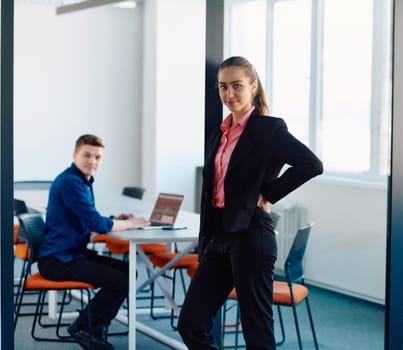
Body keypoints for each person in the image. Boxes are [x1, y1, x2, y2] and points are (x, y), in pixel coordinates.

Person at [177, 56, 323, 349]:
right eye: (223, 87)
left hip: (251, 236)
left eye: (237, 86)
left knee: (256, 332)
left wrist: (268, 193)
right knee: (191, 325)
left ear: (253, 86)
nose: (229, 94)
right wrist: (206, 242)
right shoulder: (219, 132)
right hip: (218, 238)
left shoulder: (268, 130)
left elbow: (311, 164)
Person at [37, 134, 150, 350]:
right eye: (87, 155)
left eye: (98, 157)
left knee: (129, 272)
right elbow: (96, 223)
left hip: (70, 253)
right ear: (74, 155)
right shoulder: (71, 182)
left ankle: (86, 324)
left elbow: (89, 221)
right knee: (122, 280)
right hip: (58, 260)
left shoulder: (82, 181)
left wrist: (117, 221)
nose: (93, 162)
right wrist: (131, 224)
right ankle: (90, 328)